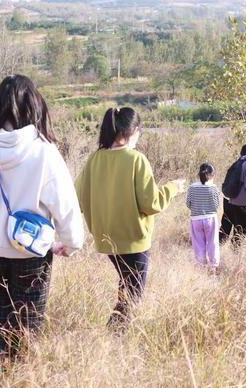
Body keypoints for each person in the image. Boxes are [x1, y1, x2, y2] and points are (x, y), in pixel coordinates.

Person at [0, 75, 84, 375]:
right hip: (32, 250)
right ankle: (20, 373)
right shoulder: (44, 150)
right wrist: (72, 241)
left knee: (0, 299)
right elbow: (65, 204)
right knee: (28, 313)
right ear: (34, 106)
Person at [75, 107, 185, 329]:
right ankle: (113, 336)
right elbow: (152, 203)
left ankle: (115, 335)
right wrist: (173, 187)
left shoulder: (95, 158)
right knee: (134, 294)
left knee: (127, 286)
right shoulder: (136, 159)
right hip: (134, 241)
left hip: (106, 239)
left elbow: (76, 199)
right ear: (134, 130)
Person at [186, 163, 220, 270]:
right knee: (212, 242)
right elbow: (216, 205)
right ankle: (213, 267)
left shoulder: (192, 187)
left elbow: (188, 203)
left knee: (198, 244)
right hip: (211, 218)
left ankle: (201, 267)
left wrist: (196, 209)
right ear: (212, 175)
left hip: (196, 219)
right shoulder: (213, 188)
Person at [219, 144, 246, 244]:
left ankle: (218, 247)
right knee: (240, 227)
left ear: (240, 153)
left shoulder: (235, 163)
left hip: (227, 197)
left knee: (226, 225)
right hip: (237, 200)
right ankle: (236, 251)